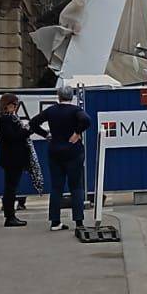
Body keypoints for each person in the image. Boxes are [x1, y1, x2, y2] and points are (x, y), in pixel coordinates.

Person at [29, 84, 91, 234]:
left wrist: (46, 135)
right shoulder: (76, 110)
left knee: (56, 187)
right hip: (73, 153)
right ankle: (79, 221)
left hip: (55, 151)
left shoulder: (51, 111)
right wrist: (77, 133)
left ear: (58, 96)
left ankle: (55, 221)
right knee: (76, 186)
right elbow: (86, 120)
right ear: (71, 96)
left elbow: (33, 123)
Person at [0, 94, 37, 227]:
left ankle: (11, 215)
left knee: (12, 187)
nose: (16, 107)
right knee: (10, 188)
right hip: (12, 158)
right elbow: (12, 137)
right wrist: (27, 131)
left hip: (14, 157)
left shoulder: (11, 119)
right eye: (14, 104)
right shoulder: (5, 120)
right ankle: (10, 216)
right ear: (7, 105)